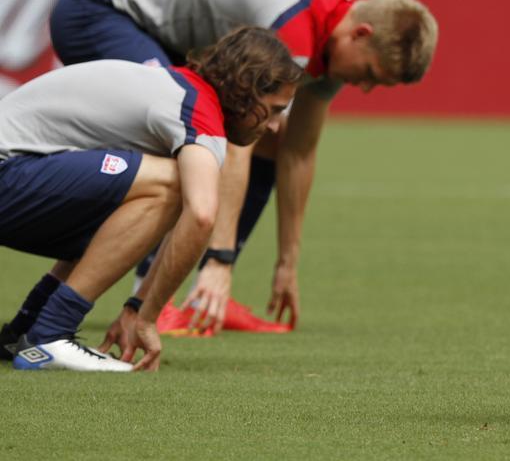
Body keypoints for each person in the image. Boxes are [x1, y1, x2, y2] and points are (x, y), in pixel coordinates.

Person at [47, 0, 438, 334]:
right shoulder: (295, 27)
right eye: (371, 75)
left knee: (269, 135)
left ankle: (204, 296)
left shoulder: (335, 42)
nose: (366, 87)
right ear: (362, 34)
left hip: (164, 40)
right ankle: (150, 297)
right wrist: (219, 258)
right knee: (184, 140)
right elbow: (235, 146)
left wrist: (288, 263)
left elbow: (298, 153)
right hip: (98, 12)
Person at [0, 27, 301, 371]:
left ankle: (25, 328)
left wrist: (136, 306)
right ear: (246, 91)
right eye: (275, 109)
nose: (277, 126)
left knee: (135, 195)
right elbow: (201, 214)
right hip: (9, 175)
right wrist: (148, 318)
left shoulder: (177, 88)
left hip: (17, 175)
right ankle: (51, 335)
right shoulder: (196, 110)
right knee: (175, 184)